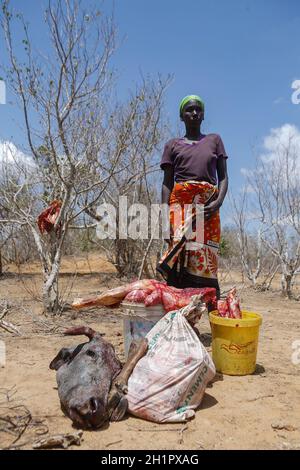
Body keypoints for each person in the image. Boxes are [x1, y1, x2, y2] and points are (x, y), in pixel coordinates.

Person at [157, 95, 228, 300]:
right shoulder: (172, 145)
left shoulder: (214, 140)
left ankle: (210, 312)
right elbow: (166, 184)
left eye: (198, 109)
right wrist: (164, 218)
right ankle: (176, 317)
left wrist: (218, 202)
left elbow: (223, 177)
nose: (194, 113)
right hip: (179, 207)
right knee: (179, 258)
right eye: (189, 110)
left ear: (203, 115)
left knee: (206, 258)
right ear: (182, 116)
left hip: (208, 208)